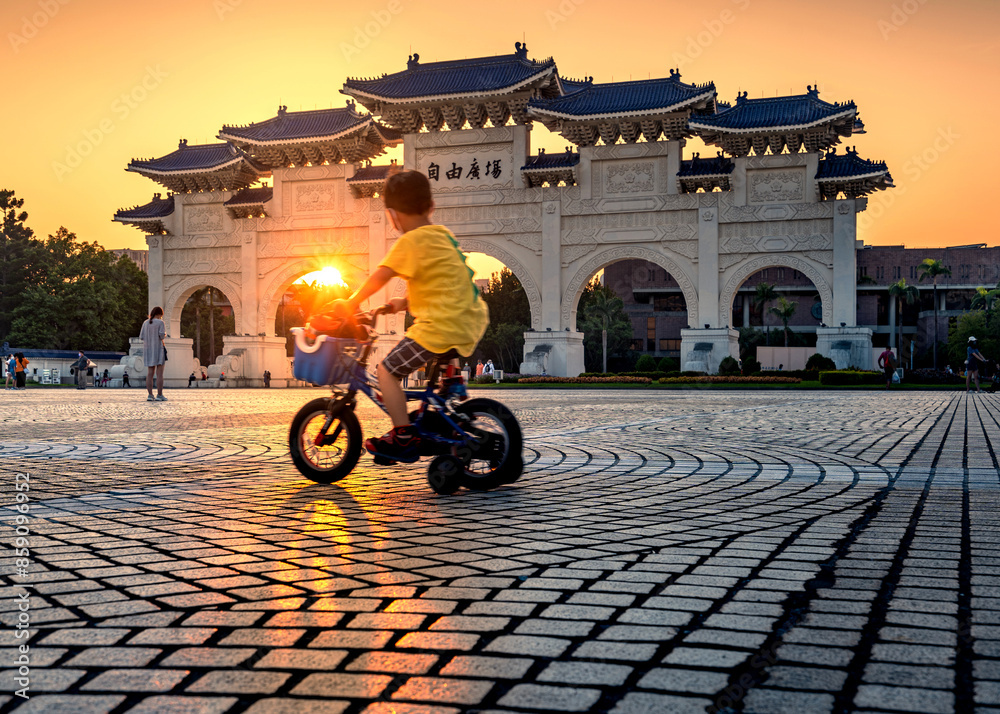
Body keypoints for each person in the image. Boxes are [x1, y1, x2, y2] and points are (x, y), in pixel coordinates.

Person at [327, 170, 489, 463]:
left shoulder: (410, 242)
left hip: (439, 326)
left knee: (386, 371)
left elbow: (381, 275)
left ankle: (403, 435)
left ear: (392, 216)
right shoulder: (442, 237)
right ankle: (451, 378)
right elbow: (444, 283)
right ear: (431, 206)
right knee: (442, 335)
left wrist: (352, 302)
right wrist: (401, 303)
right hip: (471, 318)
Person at [140, 306, 167, 402]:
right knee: (159, 374)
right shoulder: (160, 322)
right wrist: (164, 334)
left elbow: (142, 336)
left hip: (148, 350)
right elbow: (161, 336)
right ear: (160, 314)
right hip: (158, 349)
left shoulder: (145, 323)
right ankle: (160, 395)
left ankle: (150, 395)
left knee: (150, 374)